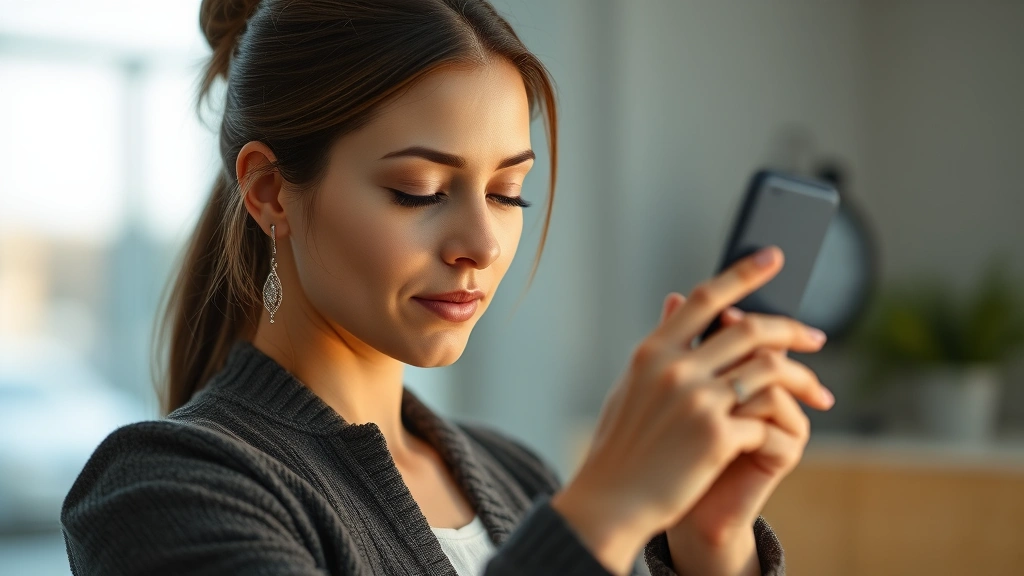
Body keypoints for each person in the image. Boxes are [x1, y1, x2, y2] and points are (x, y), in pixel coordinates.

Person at [60, 1, 835, 575]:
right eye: (421, 191)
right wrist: (607, 509)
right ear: (269, 191)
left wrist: (708, 546)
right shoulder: (165, 488)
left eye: (508, 194)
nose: (481, 244)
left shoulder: (522, 480)